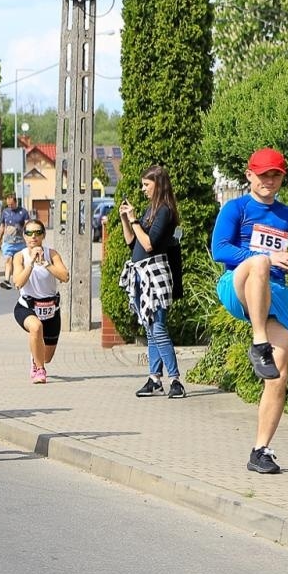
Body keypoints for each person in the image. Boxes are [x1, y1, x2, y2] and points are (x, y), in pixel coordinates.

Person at [212, 148, 288, 475]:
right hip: (238, 283)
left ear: (282, 177)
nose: (269, 180)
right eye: (263, 174)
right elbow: (220, 249)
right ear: (249, 176)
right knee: (258, 262)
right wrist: (267, 257)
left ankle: (261, 450)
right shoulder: (235, 208)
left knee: (278, 375)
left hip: (277, 294)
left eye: (276, 174)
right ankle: (258, 343)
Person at [118, 165, 185, 399]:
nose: (143, 189)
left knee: (158, 327)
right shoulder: (151, 209)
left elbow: (149, 244)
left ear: (159, 184)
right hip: (140, 273)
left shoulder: (164, 210)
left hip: (155, 273)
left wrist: (135, 220)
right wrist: (127, 220)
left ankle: (175, 379)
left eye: (147, 184)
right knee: (150, 328)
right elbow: (132, 242)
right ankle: (154, 378)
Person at [10, 219, 70, 384]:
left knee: (46, 357)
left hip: (50, 308)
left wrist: (45, 263)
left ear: (43, 235)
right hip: (26, 306)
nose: (33, 236)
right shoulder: (20, 257)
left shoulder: (52, 254)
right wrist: (31, 264)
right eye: (29, 233)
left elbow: (65, 276)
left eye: (37, 233)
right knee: (36, 328)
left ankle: (37, 359)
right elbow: (18, 283)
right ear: (24, 236)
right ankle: (39, 370)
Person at [0, 193, 31, 290]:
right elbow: (2, 226)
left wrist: (28, 240)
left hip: (20, 243)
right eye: (8, 204)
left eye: (11, 204)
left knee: (19, 262)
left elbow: (27, 226)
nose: (10, 206)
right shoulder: (5, 212)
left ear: (16, 202)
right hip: (8, 242)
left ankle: (20, 280)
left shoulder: (23, 212)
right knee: (8, 260)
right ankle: (7, 280)